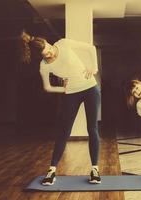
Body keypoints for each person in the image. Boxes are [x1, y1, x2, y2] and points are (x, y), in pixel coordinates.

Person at [20, 31, 101, 185]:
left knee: (92, 128)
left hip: (90, 88)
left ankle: (95, 170)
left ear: (48, 42)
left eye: (49, 48)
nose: (51, 53)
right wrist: (62, 90)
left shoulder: (63, 43)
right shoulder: (43, 66)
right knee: (64, 131)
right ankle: (51, 171)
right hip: (71, 94)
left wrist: (94, 68)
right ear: (42, 57)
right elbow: (47, 87)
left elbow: (91, 48)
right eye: (46, 55)